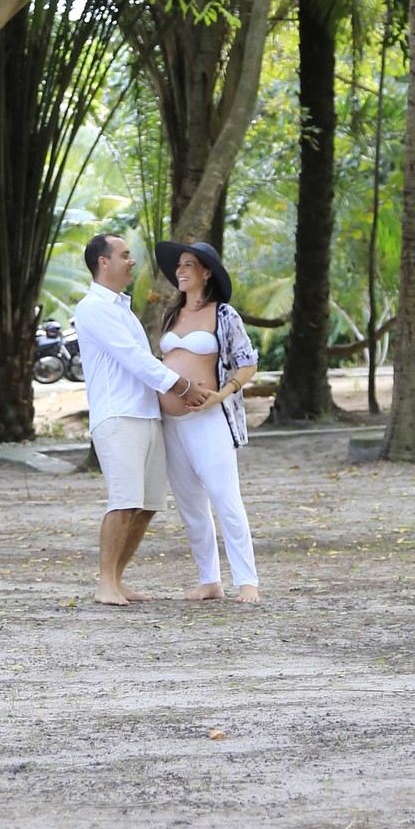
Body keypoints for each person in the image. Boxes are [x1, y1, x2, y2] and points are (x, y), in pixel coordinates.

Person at [73, 234, 208, 605]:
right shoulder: (93, 307)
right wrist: (182, 386)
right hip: (119, 416)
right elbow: (134, 358)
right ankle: (105, 584)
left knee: (146, 505)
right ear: (103, 262)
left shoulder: (122, 307)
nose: (132, 261)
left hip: (146, 413)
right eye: (125, 255)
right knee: (124, 501)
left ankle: (117, 579)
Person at [154, 240, 260, 603]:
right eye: (179, 265)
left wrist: (222, 393)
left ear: (206, 273)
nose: (180, 271)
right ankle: (209, 580)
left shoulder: (224, 314)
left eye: (188, 265)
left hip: (209, 418)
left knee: (225, 498)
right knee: (190, 505)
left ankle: (247, 581)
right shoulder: (172, 315)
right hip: (172, 424)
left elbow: (247, 363)